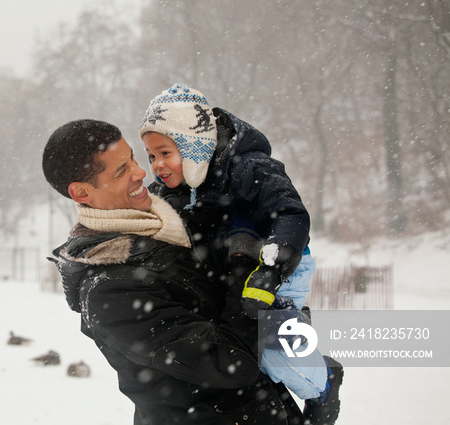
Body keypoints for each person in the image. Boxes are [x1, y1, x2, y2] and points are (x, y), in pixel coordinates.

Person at [43, 119, 303, 425]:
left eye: (134, 159)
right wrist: (244, 258)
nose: (140, 172)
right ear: (82, 193)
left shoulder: (168, 214)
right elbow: (230, 361)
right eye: (120, 171)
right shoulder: (109, 289)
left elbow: (229, 157)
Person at [140, 83, 343, 423]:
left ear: (193, 145)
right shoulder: (174, 190)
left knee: (271, 352)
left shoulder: (248, 167)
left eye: (165, 152)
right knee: (243, 343)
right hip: (237, 271)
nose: (157, 165)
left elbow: (290, 214)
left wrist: (272, 269)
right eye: (150, 156)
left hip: (279, 264)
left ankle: (323, 381)